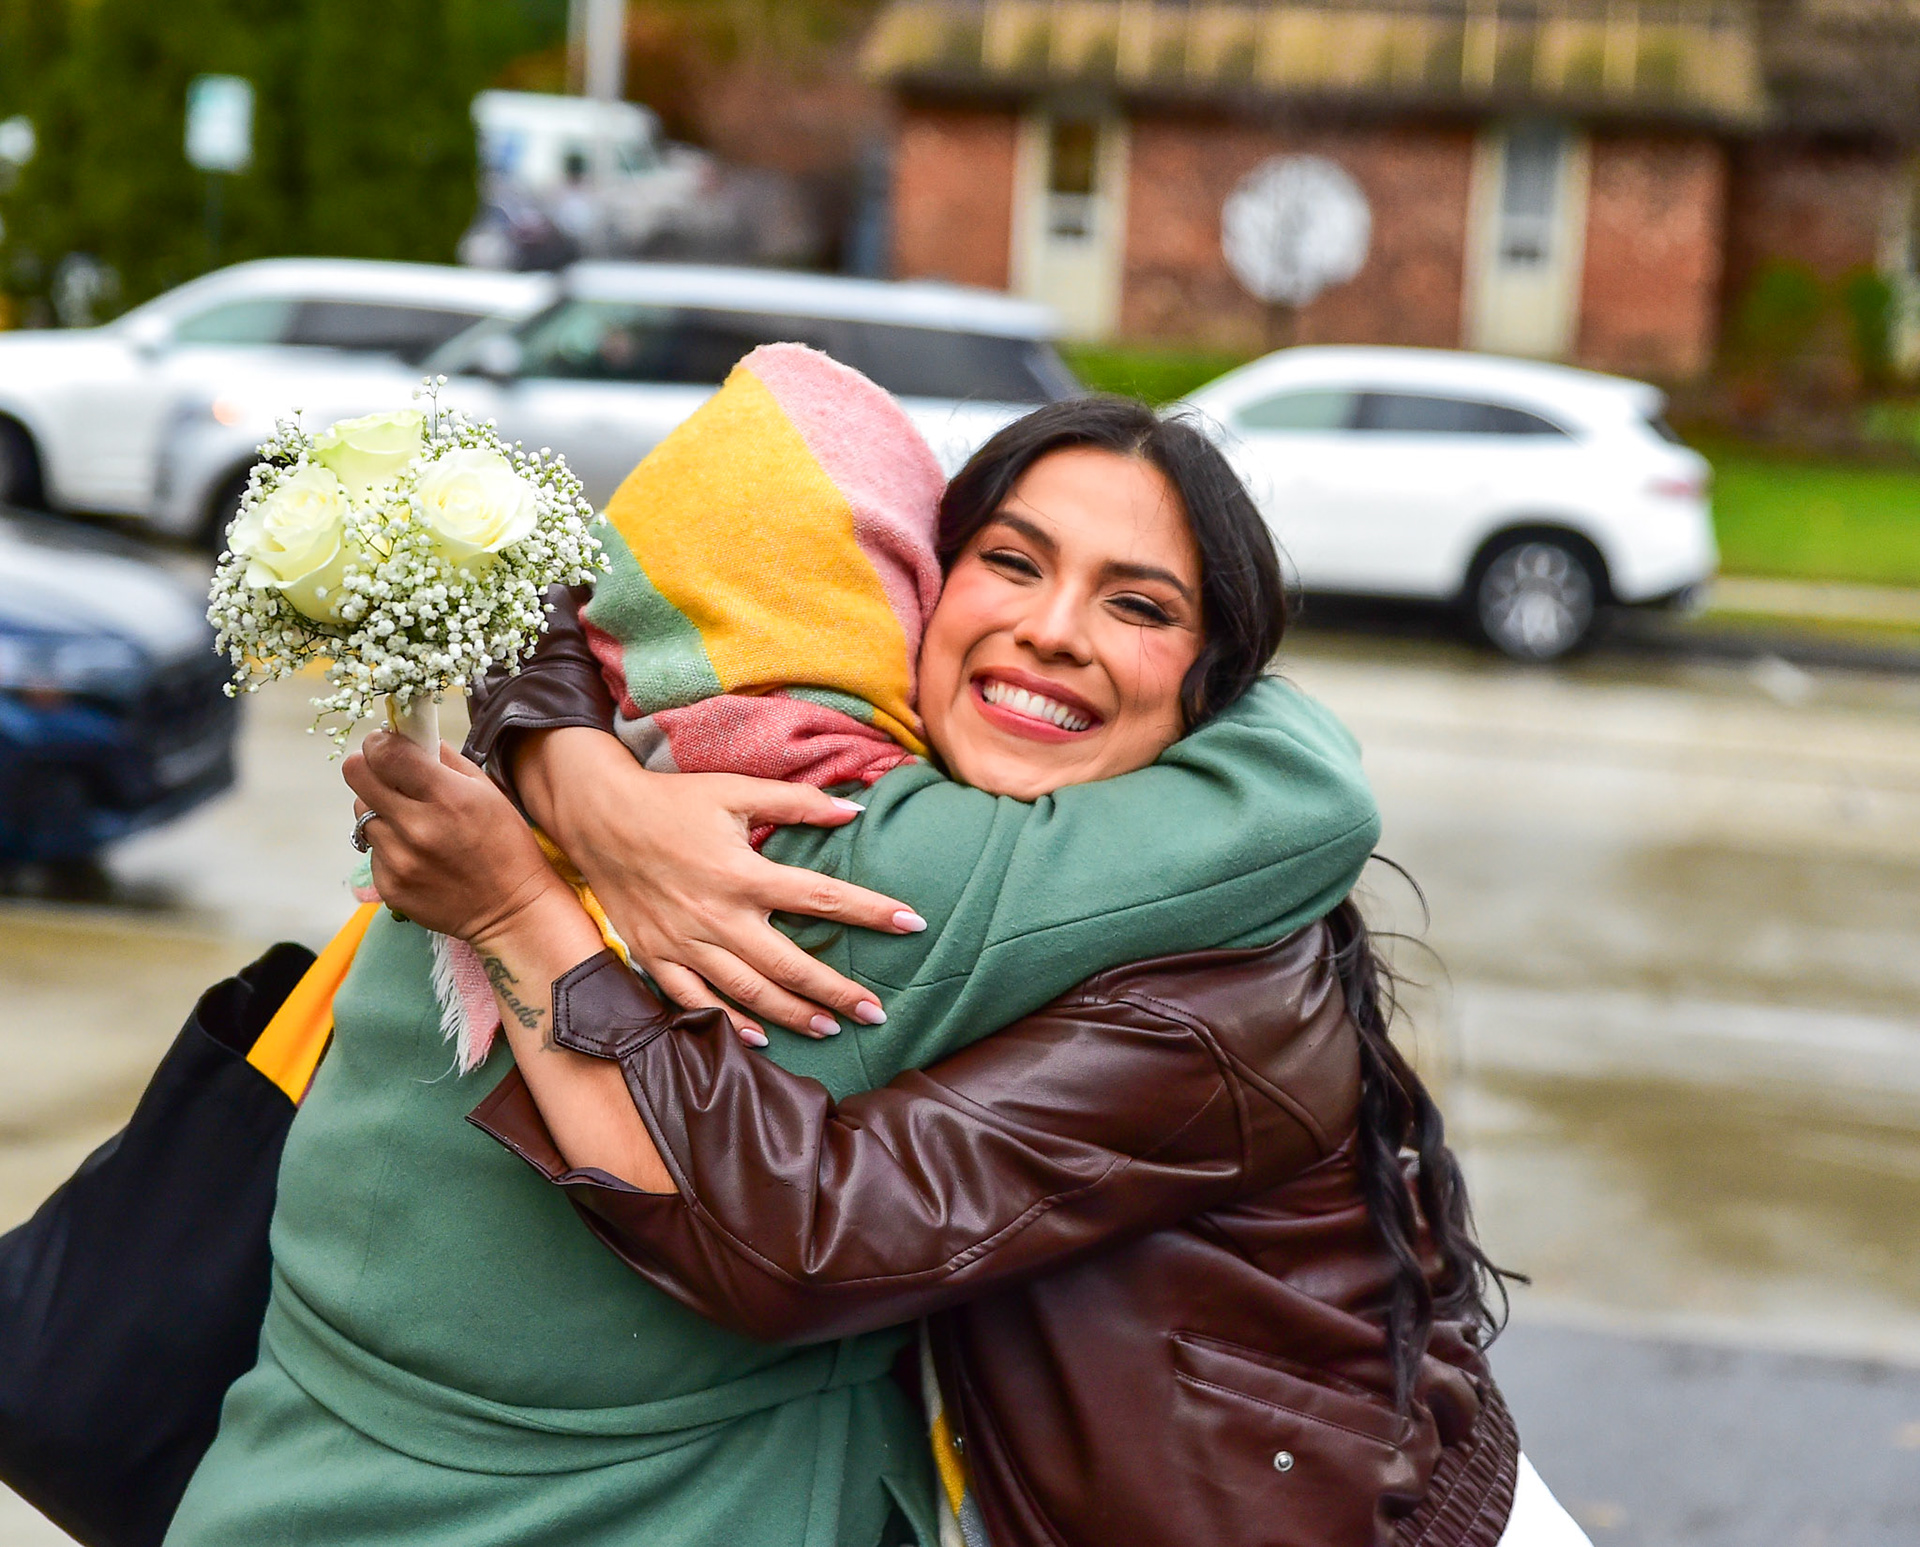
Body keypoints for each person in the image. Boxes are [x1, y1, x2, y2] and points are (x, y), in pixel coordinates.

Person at [163, 356, 1385, 1547]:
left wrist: (549, 813)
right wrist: (574, 771)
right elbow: (1307, 781)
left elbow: (562, 597)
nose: (1052, 628)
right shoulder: (783, 815)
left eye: (1140, 605)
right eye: (1011, 562)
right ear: (915, 586)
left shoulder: (658, 780)